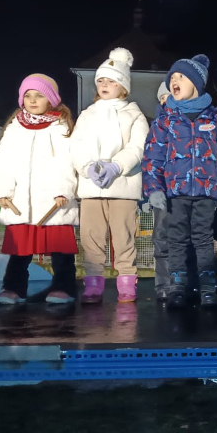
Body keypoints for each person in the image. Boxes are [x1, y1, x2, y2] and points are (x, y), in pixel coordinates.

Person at [142, 54, 217, 307]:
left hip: (206, 192)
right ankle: (177, 285)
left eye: (181, 76)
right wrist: (154, 189)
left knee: (203, 240)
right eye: (172, 77)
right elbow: (152, 156)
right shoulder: (165, 120)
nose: (175, 81)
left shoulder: (214, 120)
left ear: (196, 83)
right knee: (176, 240)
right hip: (176, 193)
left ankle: (207, 287)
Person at [0, 74, 79, 304]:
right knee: (19, 250)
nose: (32, 100)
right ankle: (13, 288)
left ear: (51, 99)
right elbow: (5, 162)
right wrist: (3, 191)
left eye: (39, 95)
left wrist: (63, 190)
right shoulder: (15, 128)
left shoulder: (60, 127)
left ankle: (63, 287)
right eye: (28, 95)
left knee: (60, 249)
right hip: (21, 200)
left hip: (53, 200)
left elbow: (67, 161)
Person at [70, 48, 148, 303]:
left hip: (123, 187)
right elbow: (76, 146)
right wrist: (87, 167)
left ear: (123, 87)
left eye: (111, 81)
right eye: (101, 80)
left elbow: (138, 146)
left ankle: (127, 282)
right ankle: (93, 284)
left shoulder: (134, 114)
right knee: (91, 237)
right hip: (91, 188)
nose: (104, 85)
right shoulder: (87, 115)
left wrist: (117, 166)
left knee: (123, 236)